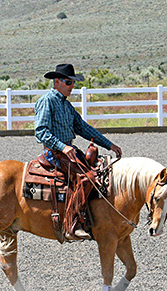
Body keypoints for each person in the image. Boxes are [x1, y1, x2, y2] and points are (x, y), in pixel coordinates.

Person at [34, 64, 122, 240]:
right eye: (68, 82)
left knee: (99, 171)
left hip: (68, 150)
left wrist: (109, 145)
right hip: (55, 152)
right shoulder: (47, 101)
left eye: (72, 83)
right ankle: (73, 224)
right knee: (86, 178)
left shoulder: (66, 106)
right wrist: (63, 146)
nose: (71, 86)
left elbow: (82, 127)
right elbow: (41, 131)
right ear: (57, 82)